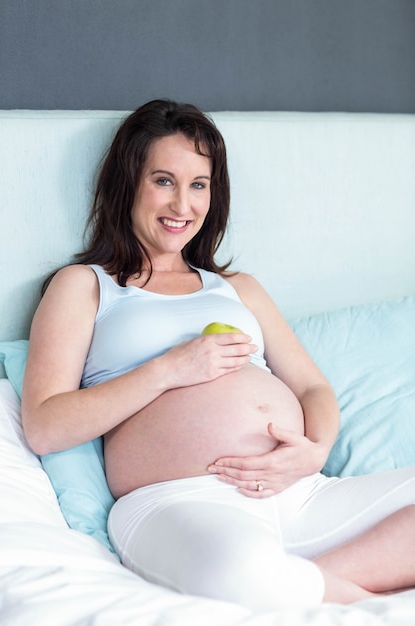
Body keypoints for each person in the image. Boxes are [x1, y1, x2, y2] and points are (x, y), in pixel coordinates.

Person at [22, 99, 415, 611]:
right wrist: (169, 369)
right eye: (163, 180)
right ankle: (347, 593)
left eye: (198, 184)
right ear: (128, 184)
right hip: (181, 503)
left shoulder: (237, 288)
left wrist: (314, 450)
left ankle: (304, 583)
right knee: (241, 572)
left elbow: (313, 388)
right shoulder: (85, 286)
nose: (182, 205)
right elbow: (45, 425)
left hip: (300, 492)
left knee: (262, 575)